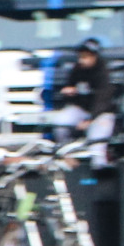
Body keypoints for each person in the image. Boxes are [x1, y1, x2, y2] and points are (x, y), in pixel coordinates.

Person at [50, 39, 117, 168]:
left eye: (86, 57)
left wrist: (90, 119)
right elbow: (70, 88)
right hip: (81, 109)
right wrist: (69, 92)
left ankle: (99, 167)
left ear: (94, 56)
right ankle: (67, 157)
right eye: (80, 57)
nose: (82, 60)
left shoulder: (103, 73)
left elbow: (102, 100)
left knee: (96, 140)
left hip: (102, 113)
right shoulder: (77, 69)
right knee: (61, 122)